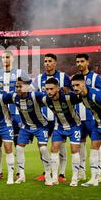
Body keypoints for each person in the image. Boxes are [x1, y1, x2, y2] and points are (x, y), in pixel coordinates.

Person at [33, 53, 71, 183]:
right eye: (45, 61)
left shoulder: (63, 77)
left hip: (58, 118)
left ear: (55, 63)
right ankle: (46, 171)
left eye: (50, 61)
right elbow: (32, 94)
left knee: (60, 146)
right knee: (41, 146)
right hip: (42, 118)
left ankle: (61, 173)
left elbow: (70, 93)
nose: (47, 63)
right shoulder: (38, 78)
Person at [0, 50, 29, 180]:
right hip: (0, 114)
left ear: (13, 59)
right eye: (2, 58)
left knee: (17, 143)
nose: (5, 60)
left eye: (7, 57)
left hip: (17, 113)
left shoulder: (20, 73)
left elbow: (29, 88)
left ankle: (20, 171)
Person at [41, 78, 82, 187]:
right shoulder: (46, 100)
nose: (49, 91)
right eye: (47, 89)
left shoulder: (69, 97)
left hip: (74, 126)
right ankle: (55, 177)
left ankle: (74, 178)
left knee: (74, 150)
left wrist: (71, 91)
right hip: (59, 127)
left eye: (51, 89)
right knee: (54, 149)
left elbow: (82, 96)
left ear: (58, 88)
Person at [13, 77, 52, 185]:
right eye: (17, 86)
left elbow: (49, 99)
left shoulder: (36, 95)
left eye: (20, 86)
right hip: (26, 127)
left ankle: (48, 175)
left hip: (41, 126)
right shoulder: (14, 97)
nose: (18, 89)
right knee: (19, 148)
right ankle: (21, 175)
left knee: (43, 148)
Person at [75, 53, 101, 182]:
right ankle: (82, 172)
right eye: (77, 62)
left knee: (96, 145)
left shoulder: (96, 78)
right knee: (80, 145)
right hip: (78, 118)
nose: (79, 64)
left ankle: (98, 172)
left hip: (93, 118)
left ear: (88, 62)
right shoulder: (74, 79)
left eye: (82, 61)